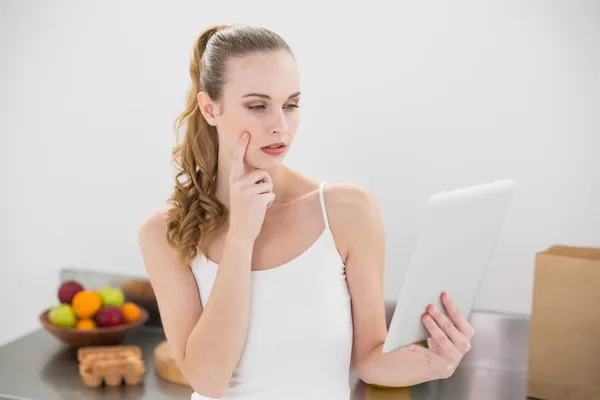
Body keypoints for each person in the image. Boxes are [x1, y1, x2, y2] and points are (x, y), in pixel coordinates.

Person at [137, 24, 475, 400]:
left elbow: (370, 359)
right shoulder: (166, 232)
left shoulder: (346, 212)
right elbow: (208, 380)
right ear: (209, 108)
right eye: (257, 106)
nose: (279, 125)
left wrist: (436, 361)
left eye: (291, 104)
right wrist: (241, 237)